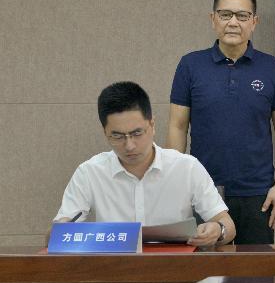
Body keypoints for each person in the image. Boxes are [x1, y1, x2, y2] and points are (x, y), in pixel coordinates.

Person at [167, 0, 275, 244]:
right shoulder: (190, 65)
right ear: (213, 19)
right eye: (225, 15)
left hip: (258, 193)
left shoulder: (273, 68)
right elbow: (177, 126)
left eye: (242, 16)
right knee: (204, 267)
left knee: (255, 267)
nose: (233, 22)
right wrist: (176, 183)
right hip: (203, 190)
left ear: (254, 22)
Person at [54, 82, 235, 247]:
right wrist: (60, 230)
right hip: (115, 267)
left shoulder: (187, 167)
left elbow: (227, 225)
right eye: (117, 136)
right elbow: (57, 234)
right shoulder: (89, 172)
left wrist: (218, 230)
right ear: (105, 132)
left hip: (175, 267)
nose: (129, 145)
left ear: (152, 125)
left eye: (137, 133)